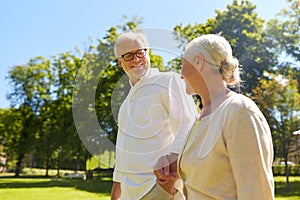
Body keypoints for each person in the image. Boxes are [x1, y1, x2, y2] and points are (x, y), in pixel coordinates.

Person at [154, 34, 275, 199]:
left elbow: (257, 193)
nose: (181, 75)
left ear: (199, 61)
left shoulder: (239, 111)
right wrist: (170, 178)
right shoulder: (199, 120)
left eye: (183, 64)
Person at [110, 30, 198, 200]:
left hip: (156, 186)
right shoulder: (126, 103)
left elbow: (188, 123)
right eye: (128, 56)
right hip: (129, 194)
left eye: (140, 52)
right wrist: (116, 194)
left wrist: (168, 182)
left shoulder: (168, 81)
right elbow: (121, 151)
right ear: (120, 62)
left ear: (148, 52)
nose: (136, 59)